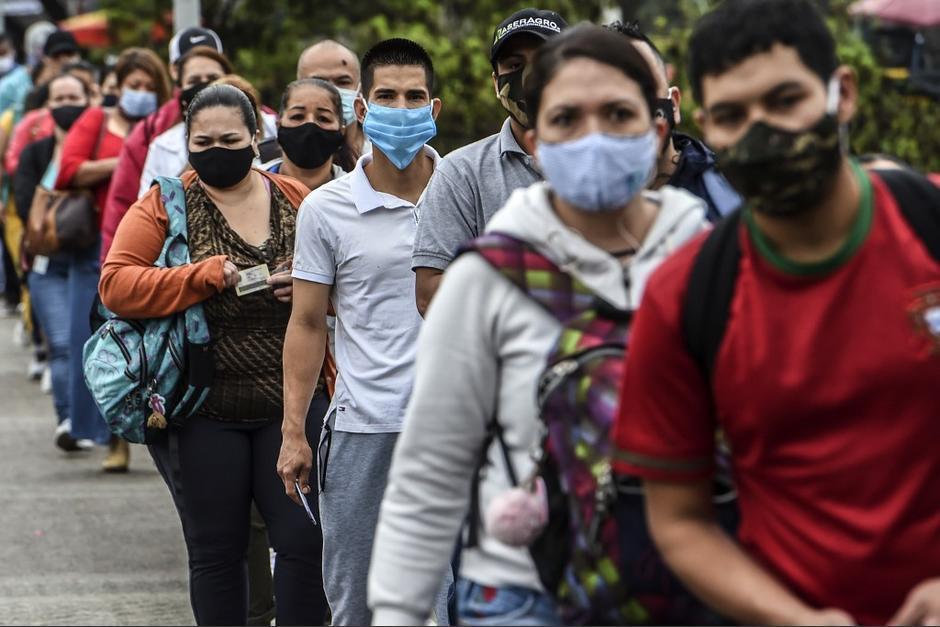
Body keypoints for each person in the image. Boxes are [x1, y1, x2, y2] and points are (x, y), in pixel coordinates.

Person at [610, 1, 940, 625]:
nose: (763, 132)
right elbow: (678, 521)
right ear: (702, 122)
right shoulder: (686, 297)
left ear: (841, 94)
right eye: (733, 116)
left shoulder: (927, 225)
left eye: (785, 100)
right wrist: (798, 620)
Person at [368, 24, 708, 626]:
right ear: (538, 141)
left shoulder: (705, 259)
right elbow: (431, 469)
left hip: (686, 582)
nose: (593, 135)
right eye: (567, 118)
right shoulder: (487, 277)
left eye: (618, 112)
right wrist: (398, 612)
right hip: (520, 592)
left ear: (658, 128)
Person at [99, 83, 327, 627]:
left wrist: (311, 286)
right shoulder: (165, 203)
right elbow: (116, 285)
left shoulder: (296, 198)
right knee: (216, 551)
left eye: (231, 139)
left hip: (292, 404)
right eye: (204, 141)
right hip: (203, 408)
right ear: (187, 143)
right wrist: (199, 277)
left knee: (304, 542)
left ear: (256, 137)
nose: (217, 150)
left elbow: (346, 279)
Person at [277, 38, 449, 626]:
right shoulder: (326, 209)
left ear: (435, 109)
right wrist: (293, 432)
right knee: (355, 602)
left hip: (453, 431)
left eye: (415, 96)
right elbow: (305, 324)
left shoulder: (467, 193)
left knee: (445, 603)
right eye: (387, 96)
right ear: (362, 110)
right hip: (362, 430)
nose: (402, 108)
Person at [55, 47, 172, 472]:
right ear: (118, 86)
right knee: (97, 341)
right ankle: (110, 438)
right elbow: (67, 171)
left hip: (156, 253)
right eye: (132, 85)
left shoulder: (165, 128)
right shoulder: (97, 120)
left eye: (148, 87)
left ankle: (147, 427)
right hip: (99, 248)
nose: (140, 93)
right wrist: (120, 162)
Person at [412, 8, 566, 316]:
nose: (529, 76)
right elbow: (429, 295)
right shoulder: (461, 174)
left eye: (545, 62)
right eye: (514, 65)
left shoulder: (605, 158)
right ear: (496, 83)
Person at [14, 72, 93, 452]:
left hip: (88, 258)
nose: (66, 104)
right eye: (59, 98)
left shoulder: (97, 149)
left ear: (88, 98)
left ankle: (91, 419)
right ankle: (67, 419)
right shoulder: (36, 152)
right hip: (47, 261)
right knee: (61, 343)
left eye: (73, 96)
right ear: (48, 106)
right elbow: (24, 203)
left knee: (85, 344)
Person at [101, 27, 224, 263]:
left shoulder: (262, 120)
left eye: (212, 77)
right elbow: (125, 204)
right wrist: (115, 266)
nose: (204, 83)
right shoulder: (152, 133)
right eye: (195, 78)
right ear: (175, 71)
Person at [609, 20, 740, 222]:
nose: (629, 107)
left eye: (644, 87)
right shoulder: (570, 209)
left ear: (674, 104)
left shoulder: (730, 194)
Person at [137, 47, 233, 195]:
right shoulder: (162, 146)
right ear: (181, 89)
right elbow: (148, 206)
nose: (205, 86)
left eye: (213, 79)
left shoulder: (265, 126)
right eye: (194, 81)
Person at [265, 78, 352, 184]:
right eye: (297, 116)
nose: (310, 124)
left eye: (323, 118)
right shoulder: (250, 186)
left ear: (341, 131)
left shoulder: (357, 195)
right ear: (278, 125)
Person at [296, 40, 367, 163]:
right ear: (297, 89)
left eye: (343, 82)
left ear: (359, 90)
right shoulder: (272, 157)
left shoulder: (381, 156)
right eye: (319, 82)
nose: (332, 92)